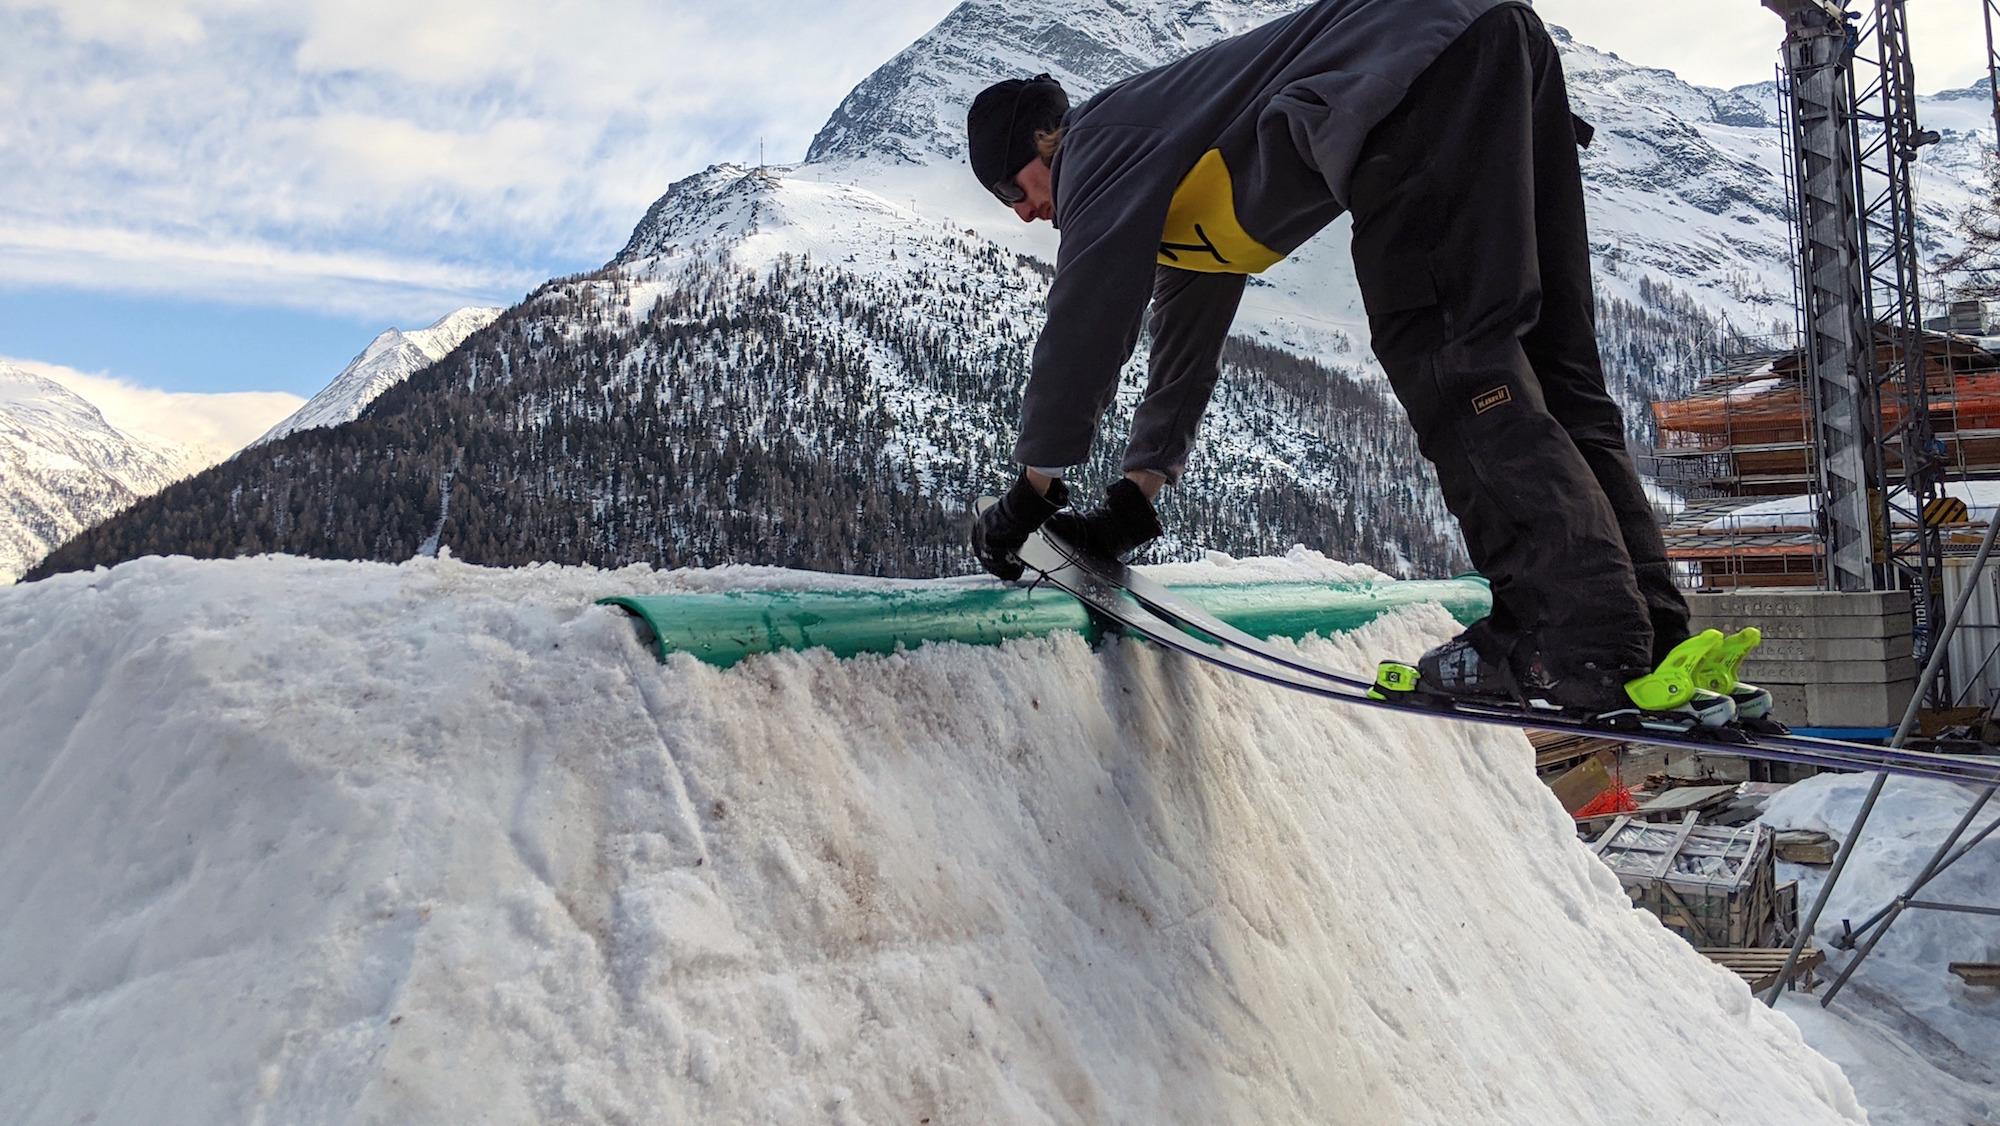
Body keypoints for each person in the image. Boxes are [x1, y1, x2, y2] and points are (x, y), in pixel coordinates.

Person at [965, 0, 1763, 723]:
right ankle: (1646, 630)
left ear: (1046, 140)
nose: (1029, 212)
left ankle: (1567, 639)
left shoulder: (1097, 144)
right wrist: (1138, 495)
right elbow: (1186, 337)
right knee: (1552, 372)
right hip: (1490, 47)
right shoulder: (1167, 161)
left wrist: (1032, 492)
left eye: (1014, 188)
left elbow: (1086, 318)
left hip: (1422, 77)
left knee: (1449, 349)